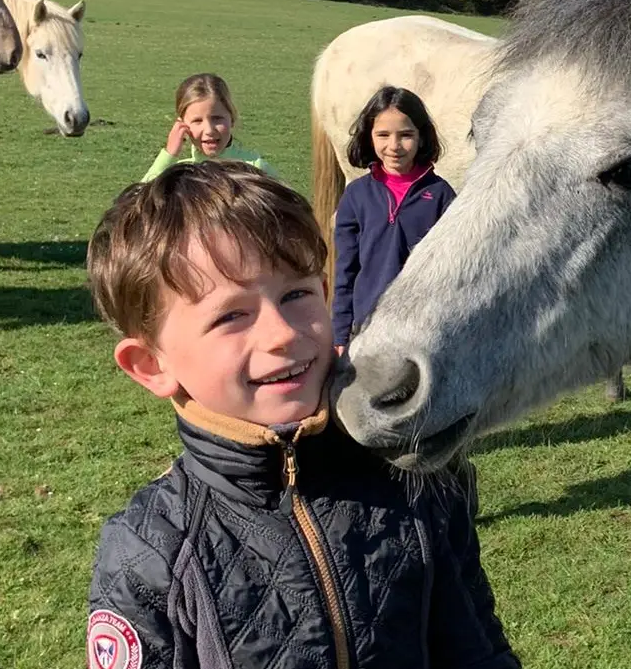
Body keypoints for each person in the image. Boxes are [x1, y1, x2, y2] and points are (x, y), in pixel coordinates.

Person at [84, 161, 520, 669]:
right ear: (150, 365)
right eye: (231, 316)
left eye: (296, 294)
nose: (282, 334)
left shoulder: (416, 475)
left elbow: (476, 647)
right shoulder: (149, 547)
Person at [332, 86, 454, 352]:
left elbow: (453, 270)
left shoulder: (441, 194)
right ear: (369, 137)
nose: (394, 146)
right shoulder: (356, 195)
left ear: (422, 137)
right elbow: (345, 270)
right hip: (367, 328)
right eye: (383, 135)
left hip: (422, 330)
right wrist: (340, 334)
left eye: (406, 135)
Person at [140, 73, 278, 183]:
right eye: (197, 121)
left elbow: (293, 210)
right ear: (182, 126)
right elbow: (136, 206)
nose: (209, 130)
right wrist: (169, 155)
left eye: (217, 118)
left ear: (232, 119)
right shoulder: (180, 175)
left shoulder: (253, 169)